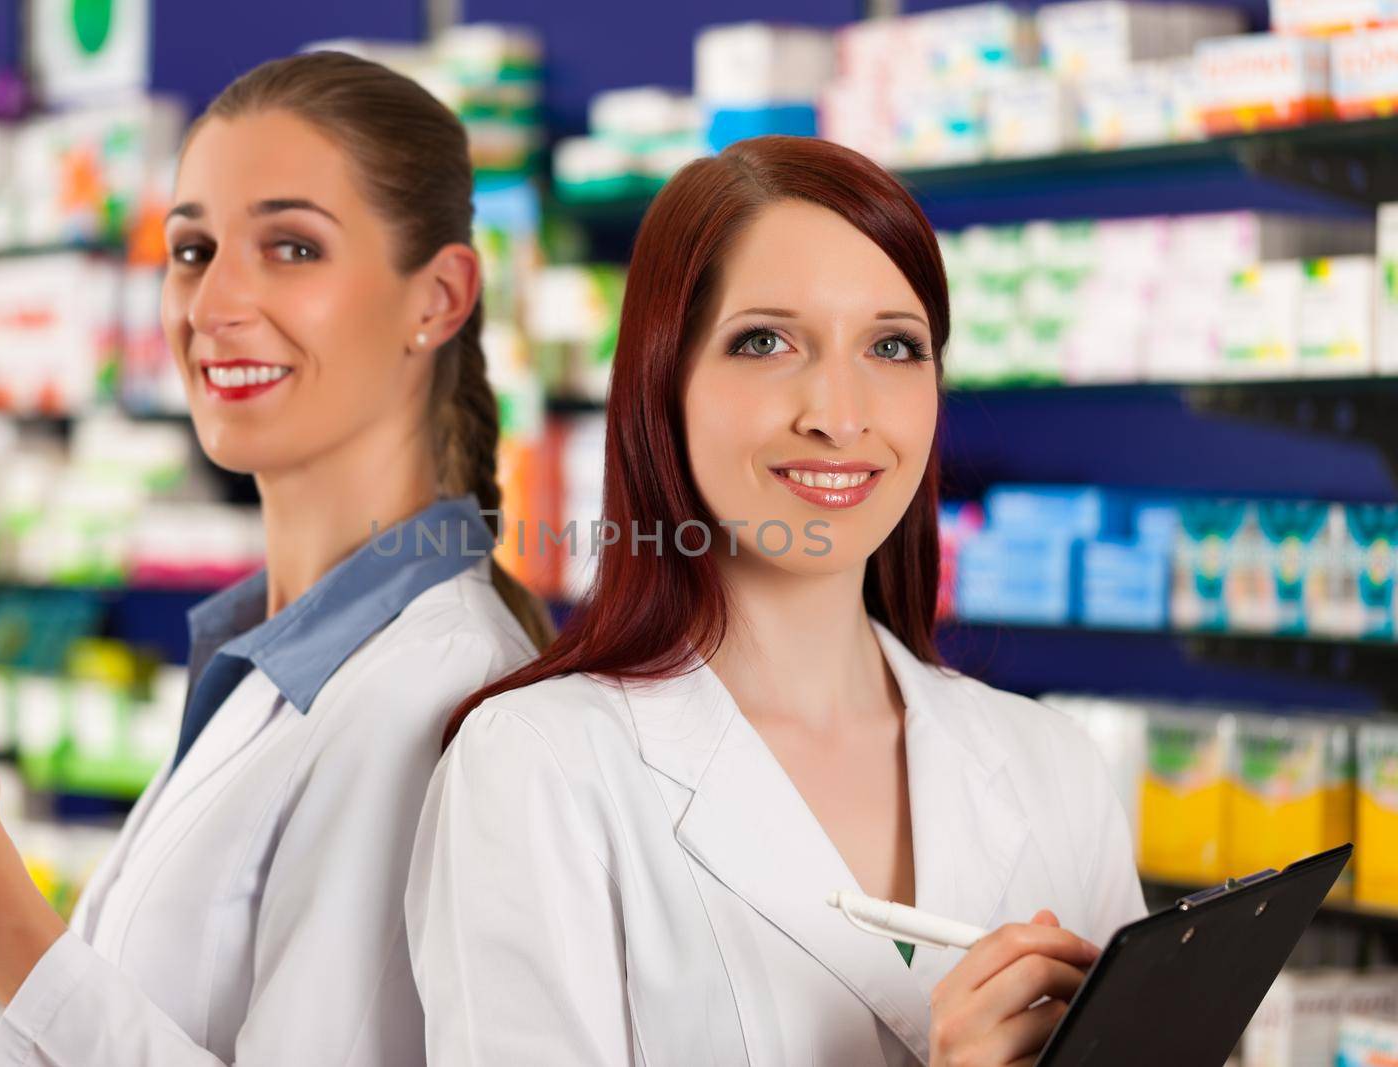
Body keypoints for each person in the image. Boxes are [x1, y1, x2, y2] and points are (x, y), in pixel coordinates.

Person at [0, 50, 548, 1066]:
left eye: (290, 246)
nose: (213, 304)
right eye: (192, 249)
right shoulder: (273, 656)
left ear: (439, 295)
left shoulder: (433, 688)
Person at [406, 135, 1146, 1067]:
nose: (839, 413)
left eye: (893, 345)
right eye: (764, 341)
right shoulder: (539, 767)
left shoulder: (1053, 767)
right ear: (660, 383)